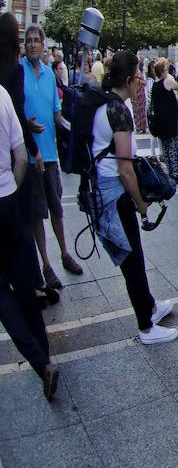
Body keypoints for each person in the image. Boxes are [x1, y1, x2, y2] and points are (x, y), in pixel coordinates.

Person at [92, 51, 178, 344]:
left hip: (102, 188)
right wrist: (142, 206)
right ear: (128, 79)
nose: (141, 80)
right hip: (114, 192)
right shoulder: (119, 111)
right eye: (138, 75)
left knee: (134, 257)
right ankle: (146, 326)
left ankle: (150, 306)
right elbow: (125, 168)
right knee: (133, 259)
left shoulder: (103, 101)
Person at [0, 79, 58, 399]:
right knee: (25, 285)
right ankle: (46, 356)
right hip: (8, 200)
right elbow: (20, 157)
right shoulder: (3, 95)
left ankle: (42, 365)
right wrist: (10, 186)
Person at [21, 24, 81, 288]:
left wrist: (75, 127)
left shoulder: (48, 74)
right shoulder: (16, 72)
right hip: (29, 156)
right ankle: (46, 264)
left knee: (57, 208)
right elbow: (11, 113)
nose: (33, 44)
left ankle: (65, 253)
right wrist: (26, 124)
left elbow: (57, 115)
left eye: (37, 40)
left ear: (43, 44)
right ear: (25, 45)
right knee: (37, 213)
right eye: (29, 40)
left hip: (50, 155)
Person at [148, 59, 178, 186]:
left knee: (166, 147)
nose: (168, 71)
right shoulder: (167, 81)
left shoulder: (155, 84)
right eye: (166, 69)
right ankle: (175, 174)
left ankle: (170, 172)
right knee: (173, 147)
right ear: (162, 72)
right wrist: (169, 76)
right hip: (170, 120)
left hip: (160, 121)